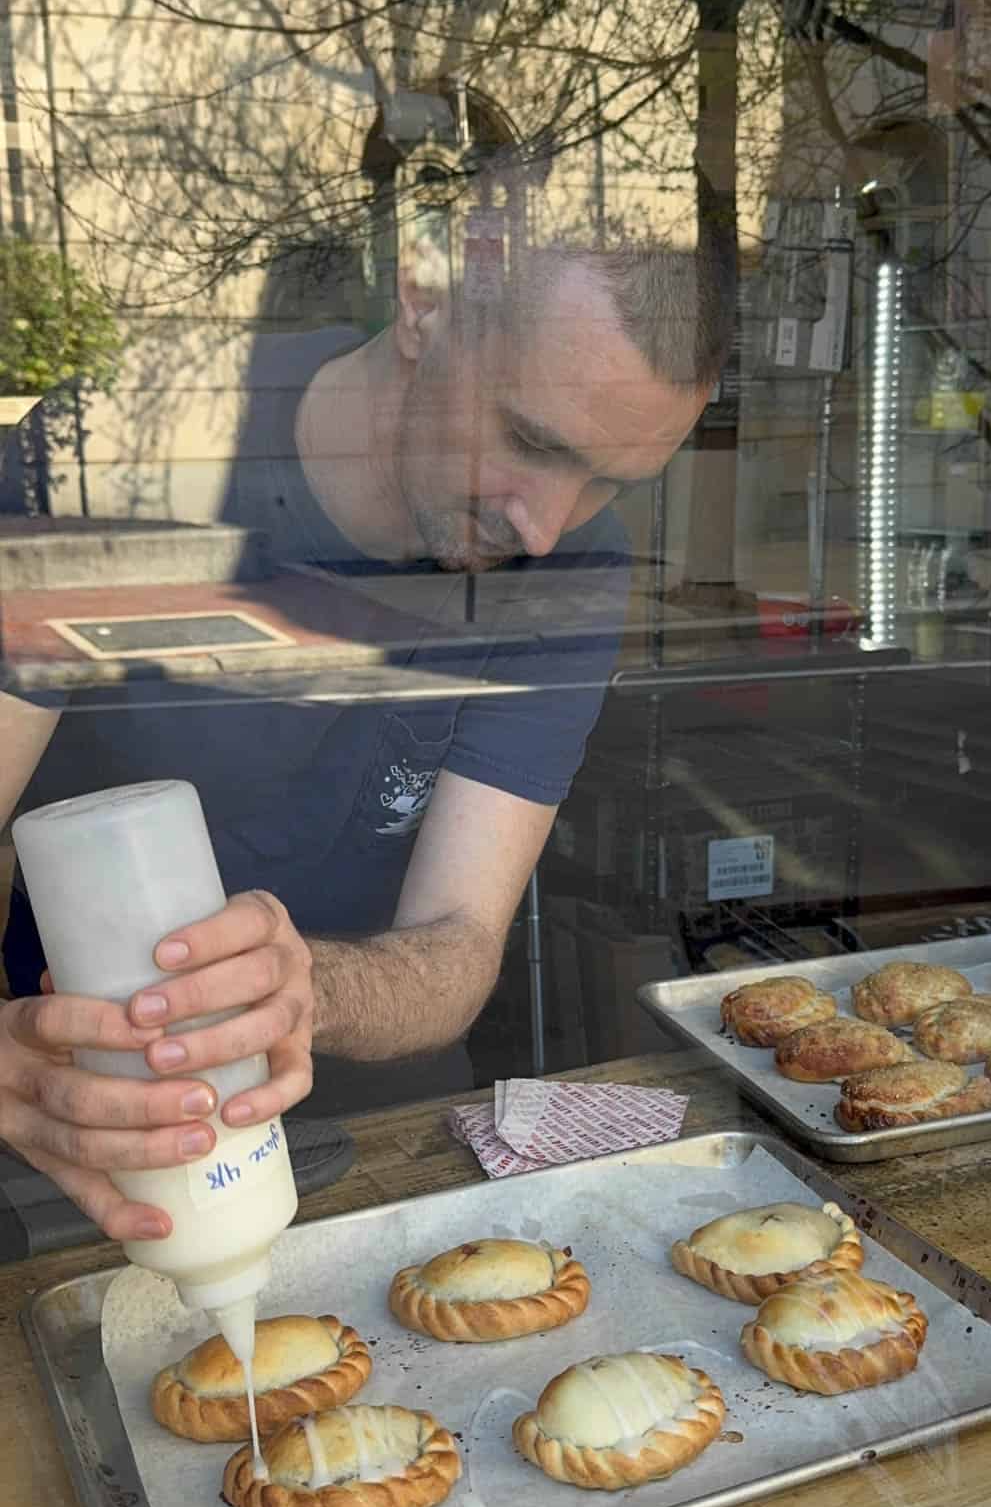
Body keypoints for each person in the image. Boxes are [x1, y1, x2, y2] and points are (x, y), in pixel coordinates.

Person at [0, 173, 733, 1246]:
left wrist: (307, 989)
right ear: (426, 297)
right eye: (532, 442)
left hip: (380, 1137)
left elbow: (459, 942)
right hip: (86, 1137)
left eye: (609, 483)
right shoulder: (118, 454)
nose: (546, 529)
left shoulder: (574, 560)